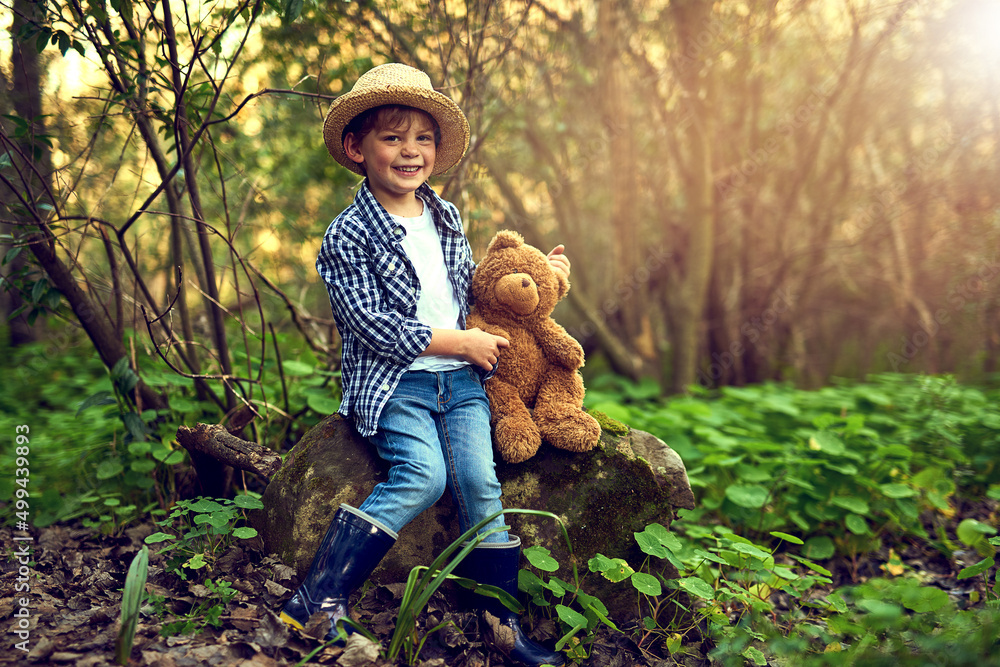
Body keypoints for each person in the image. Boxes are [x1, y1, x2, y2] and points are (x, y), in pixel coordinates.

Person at [279, 63, 570, 667]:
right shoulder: (348, 235)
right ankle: (318, 598)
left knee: (480, 484)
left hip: (461, 385)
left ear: (437, 151)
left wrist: (543, 275)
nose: (410, 151)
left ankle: (499, 624)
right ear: (357, 148)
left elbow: (470, 294)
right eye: (392, 137)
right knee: (423, 475)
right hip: (398, 385)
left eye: (423, 138)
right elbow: (371, 325)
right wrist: (458, 342)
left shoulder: (446, 217)